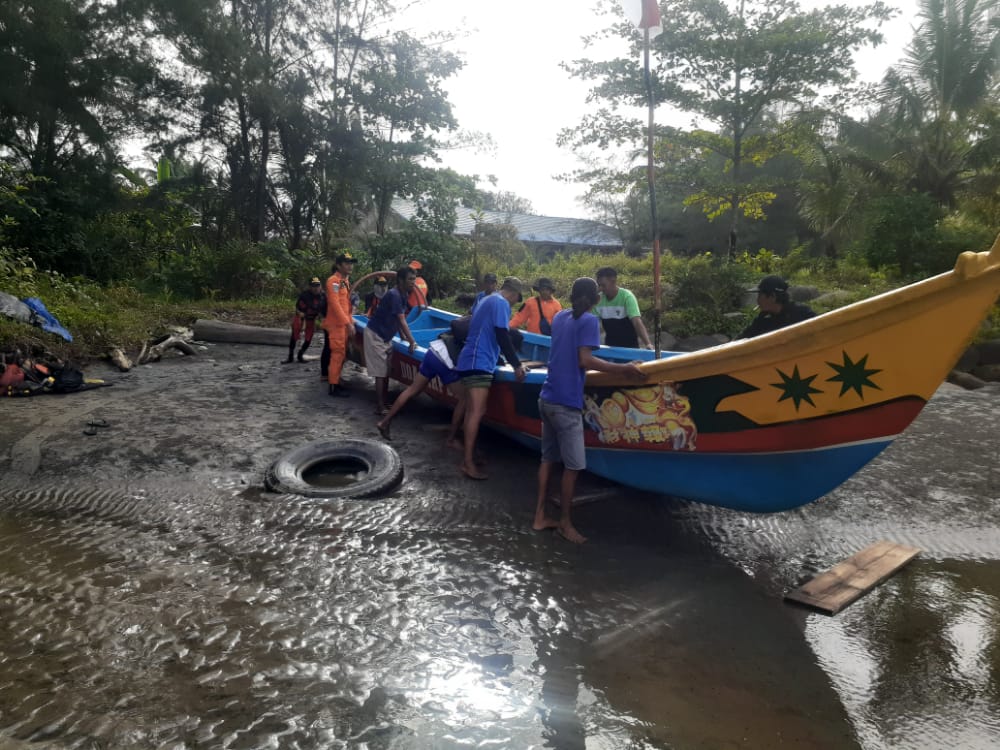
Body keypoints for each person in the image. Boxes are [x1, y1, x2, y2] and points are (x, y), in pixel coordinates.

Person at [533, 277, 645, 543]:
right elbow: (585, 359)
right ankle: (564, 523)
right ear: (596, 299)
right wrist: (624, 368)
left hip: (546, 398)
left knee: (548, 459)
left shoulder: (560, 316)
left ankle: (539, 517)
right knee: (574, 466)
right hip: (565, 404)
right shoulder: (589, 321)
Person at [455, 276, 527, 480]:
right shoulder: (501, 303)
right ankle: (467, 463)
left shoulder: (487, 299)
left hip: (470, 359)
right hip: (479, 362)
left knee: (472, 412)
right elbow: (502, 335)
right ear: (513, 293)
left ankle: (469, 456)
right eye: (516, 299)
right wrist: (517, 365)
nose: (514, 304)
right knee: (476, 412)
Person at [376, 328, 467, 447]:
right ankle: (451, 438)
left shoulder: (469, 319)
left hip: (434, 351)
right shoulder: (486, 326)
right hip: (446, 360)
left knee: (412, 390)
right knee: (464, 399)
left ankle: (384, 421)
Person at [364, 266, 418, 415]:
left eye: (414, 279)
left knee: (387, 369)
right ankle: (380, 406)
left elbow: (398, 317)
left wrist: (402, 337)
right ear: (400, 280)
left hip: (386, 336)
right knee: (380, 372)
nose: (413, 282)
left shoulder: (404, 294)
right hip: (375, 335)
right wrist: (412, 341)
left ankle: (384, 401)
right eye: (410, 279)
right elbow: (401, 320)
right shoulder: (394, 295)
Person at [321, 251, 357, 397]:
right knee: (337, 354)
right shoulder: (333, 281)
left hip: (343, 324)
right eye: (347, 263)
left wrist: (350, 321)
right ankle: (333, 386)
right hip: (336, 325)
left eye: (351, 263)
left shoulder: (345, 281)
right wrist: (348, 324)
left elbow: (346, 304)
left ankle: (336, 381)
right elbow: (335, 305)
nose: (350, 266)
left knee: (342, 353)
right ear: (338, 265)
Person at [737, 275, 816, 339]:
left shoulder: (802, 313)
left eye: (760, 295)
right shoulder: (763, 319)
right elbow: (743, 338)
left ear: (772, 296)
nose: (758, 300)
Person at [593, 266, 653, 349]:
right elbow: (593, 324)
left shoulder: (627, 296)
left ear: (613, 281)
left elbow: (636, 321)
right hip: (610, 346)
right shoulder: (598, 300)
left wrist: (648, 344)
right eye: (599, 285)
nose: (601, 288)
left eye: (603, 285)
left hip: (630, 346)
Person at [283, 277, 326, 364]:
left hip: (312, 319)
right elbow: (299, 310)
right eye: (313, 286)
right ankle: (290, 356)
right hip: (301, 318)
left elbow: (324, 311)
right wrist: (303, 323)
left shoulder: (323, 296)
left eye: (317, 285)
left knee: (308, 339)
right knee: (294, 336)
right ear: (310, 287)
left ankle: (300, 354)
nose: (316, 288)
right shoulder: (304, 295)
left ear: (320, 286)